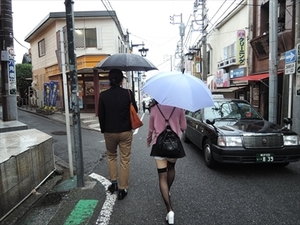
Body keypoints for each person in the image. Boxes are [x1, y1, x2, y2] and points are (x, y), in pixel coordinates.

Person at [98, 68, 138, 200]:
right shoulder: (128, 93)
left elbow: (101, 116)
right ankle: (122, 188)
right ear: (121, 80)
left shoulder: (103, 95)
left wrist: (104, 130)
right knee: (125, 159)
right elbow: (135, 110)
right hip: (125, 131)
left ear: (110, 80)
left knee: (111, 157)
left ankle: (114, 183)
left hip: (109, 131)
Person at [146, 103, 187, 224]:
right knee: (171, 168)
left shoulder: (154, 108)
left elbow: (150, 129)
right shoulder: (179, 107)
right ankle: (167, 190)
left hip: (158, 145)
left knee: (162, 177)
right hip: (174, 145)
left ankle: (170, 210)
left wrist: (149, 140)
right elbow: (184, 127)